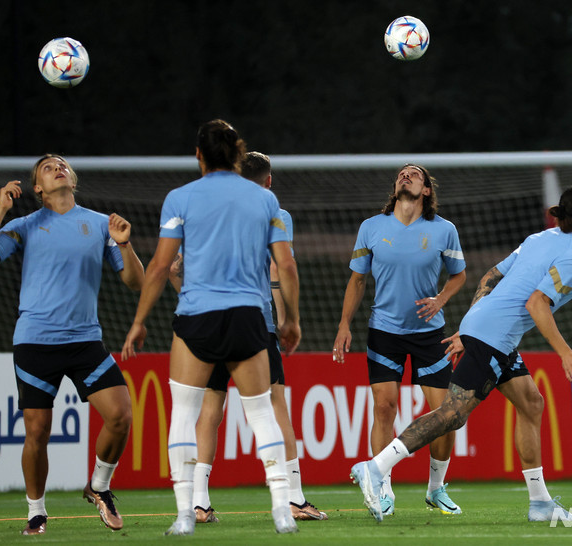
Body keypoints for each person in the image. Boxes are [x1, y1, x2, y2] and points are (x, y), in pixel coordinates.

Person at [350, 184, 572, 523]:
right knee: (453, 414)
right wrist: (565, 353)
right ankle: (375, 467)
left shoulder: (539, 239)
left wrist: (471, 323)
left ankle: (540, 503)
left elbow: (491, 276)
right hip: (495, 336)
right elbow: (536, 304)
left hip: (490, 329)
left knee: (531, 403)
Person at [121, 120, 301, 536]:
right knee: (261, 413)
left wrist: (139, 322)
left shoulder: (180, 198)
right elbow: (286, 264)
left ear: (198, 155)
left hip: (197, 317)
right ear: (237, 154)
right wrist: (291, 319)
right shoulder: (263, 200)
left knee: (185, 413)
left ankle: (186, 514)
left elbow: (163, 266)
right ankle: (281, 509)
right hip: (247, 316)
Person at [0, 154, 145, 535]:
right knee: (37, 432)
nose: (57, 167)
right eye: (47, 166)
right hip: (35, 344)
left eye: (62, 164)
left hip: (85, 340)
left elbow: (134, 282)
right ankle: (36, 511)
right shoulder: (25, 225)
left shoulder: (102, 223)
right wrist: (1, 209)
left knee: (121, 416)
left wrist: (126, 244)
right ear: (38, 187)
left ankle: (99, 486)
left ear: (72, 177)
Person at [169, 151, 326, 523]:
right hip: (252, 323)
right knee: (273, 408)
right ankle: (293, 498)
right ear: (269, 182)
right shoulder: (273, 211)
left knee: (207, 413)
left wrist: (179, 285)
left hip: (204, 322)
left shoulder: (210, 210)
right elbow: (283, 266)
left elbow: (177, 269)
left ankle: (198, 502)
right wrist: (291, 319)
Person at [333, 164, 467, 516]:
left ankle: (436, 489)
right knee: (383, 407)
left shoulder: (443, 230)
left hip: (429, 334)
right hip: (384, 332)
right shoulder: (371, 228)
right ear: (395, 188)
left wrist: (441, 299)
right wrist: (344, 324)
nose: (405, 176)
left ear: (426, 191)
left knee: (448, 415)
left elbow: (459, 275)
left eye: (415, 175)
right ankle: (381, 488)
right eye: (402, 174)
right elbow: (357, 281)